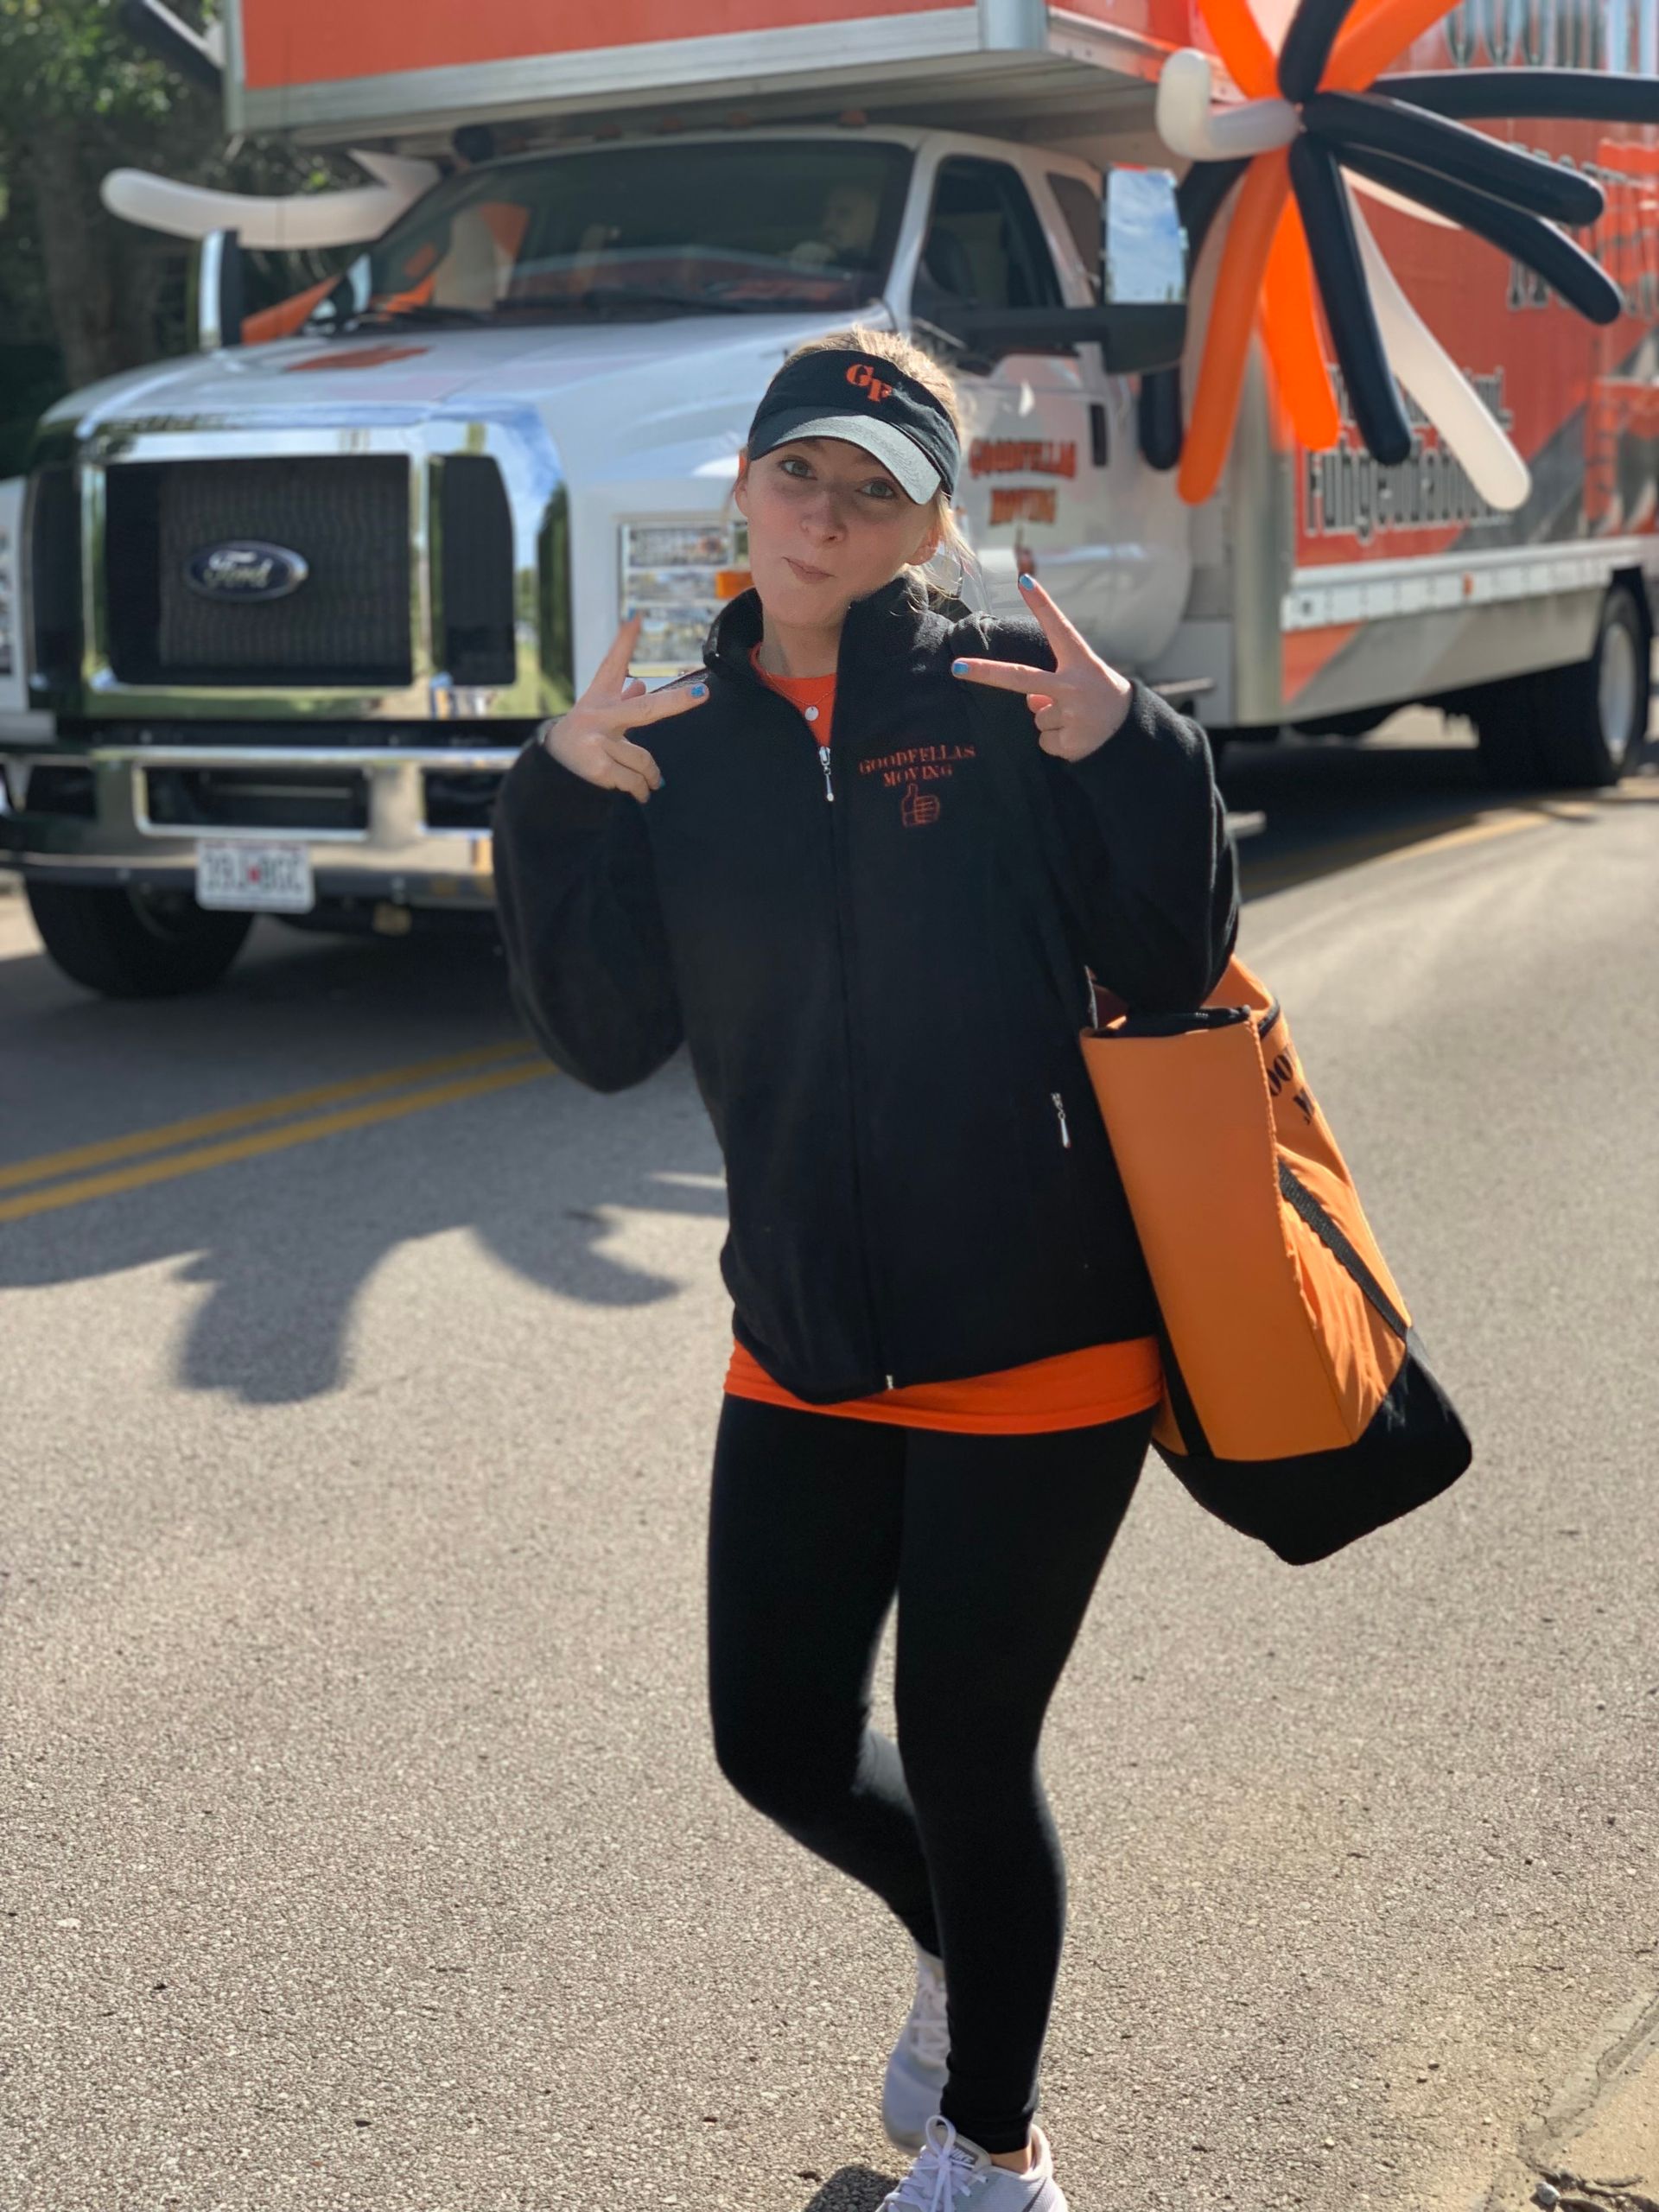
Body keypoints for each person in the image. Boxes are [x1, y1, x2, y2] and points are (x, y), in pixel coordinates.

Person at [491, 326, 1238, 2210]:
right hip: (805, 1332)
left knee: (977, 1746)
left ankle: (1000, 2145)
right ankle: (966, 1959)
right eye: (799, 474)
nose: (828, 514)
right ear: (743, 487)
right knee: (778, 1740)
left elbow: (1169, 962)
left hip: (1043, 1329)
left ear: (931, 523)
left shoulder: (1001, 696)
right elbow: (601, 1039)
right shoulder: (680, 734)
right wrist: (560, 795)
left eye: (877, 486)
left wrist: (1130, 741)